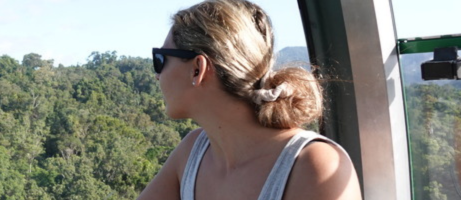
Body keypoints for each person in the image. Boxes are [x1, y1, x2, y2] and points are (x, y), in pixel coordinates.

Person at [137, 0, 362, 199]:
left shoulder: (315, 165)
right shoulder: (193, 151)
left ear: (197, 69)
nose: (157, 74)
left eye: (160, 59)